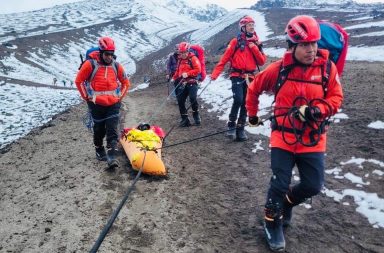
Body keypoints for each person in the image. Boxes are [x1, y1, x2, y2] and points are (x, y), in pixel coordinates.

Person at [245, 15, 343, 251]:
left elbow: (336, 99)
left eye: (314, 44)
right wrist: (252, 115)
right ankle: (272, 222)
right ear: (292, 45)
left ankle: (287, 203)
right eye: (304, 45)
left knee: (313, 185)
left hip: (313, 139)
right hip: (283, 138)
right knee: (279, 183)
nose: (311, 50)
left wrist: (315, 110)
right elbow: (254, 88)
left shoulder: (327, 69)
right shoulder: (278, 70)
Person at [75, 36, 130, 169]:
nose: (109, 57)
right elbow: (78, 81)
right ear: (101, 52)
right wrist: (86, 97)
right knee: (99, 129)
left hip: (113, 104)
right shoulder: (90, 64)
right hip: (95, 104)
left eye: (112, 54)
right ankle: (99, 149)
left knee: (112, 129)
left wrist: (119, 98)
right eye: (107, 54)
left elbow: (126, 83)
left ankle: (112, 156)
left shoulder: (116, 66)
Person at [211, 15, 267, 141]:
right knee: (238, 99)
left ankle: (240, 129)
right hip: (236, 75)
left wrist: (255, 48)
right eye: (249, 25)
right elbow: (225, 58)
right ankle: (231, 124)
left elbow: (262, 61)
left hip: (250, 76)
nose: (252, 27)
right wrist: (215, 74)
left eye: (253, 25)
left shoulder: (256, 42)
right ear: (243, 28)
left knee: (246, 103)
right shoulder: (235, 42)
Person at [171, 42, 201, 127]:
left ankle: (196, 115)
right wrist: (174, 77)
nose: (183, 54)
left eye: (184, 52)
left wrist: (188, 74)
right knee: (180, 100)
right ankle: (185, 119)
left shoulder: (193, 58)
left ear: (188, 51)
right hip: (182, 83)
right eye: (181, 52)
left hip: (192, 82)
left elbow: (198, 70)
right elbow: (177, 70)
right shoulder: (180, 60)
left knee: (193, 98)